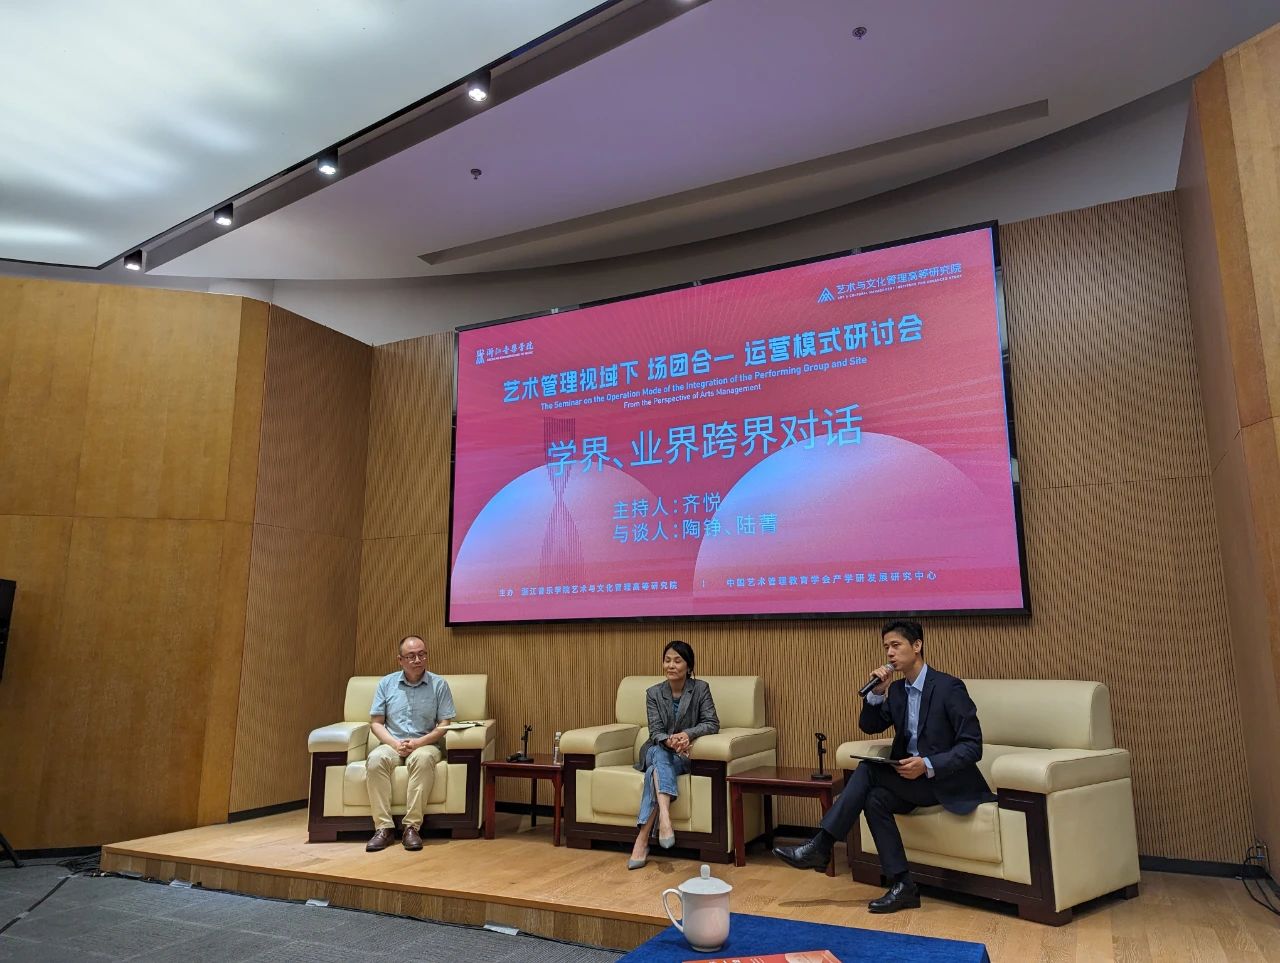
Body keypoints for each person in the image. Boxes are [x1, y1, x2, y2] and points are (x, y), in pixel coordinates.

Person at [774, 619, 993, 912]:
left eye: (896, 645)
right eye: (886, 647)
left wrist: (927, 764)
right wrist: (876, 694)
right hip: (912, 780)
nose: (889, 653)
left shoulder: (948, 687)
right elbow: (870, 726)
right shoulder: (898, 690)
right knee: (875, 799)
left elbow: (972, 746)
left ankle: (821, 845)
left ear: (917, 646)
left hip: (944, 780)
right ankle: (903, 886)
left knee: (868, 770)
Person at [627, 640, 719, 869]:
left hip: (682, 755)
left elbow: (711, 723)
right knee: (658, 754)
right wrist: (669, 740)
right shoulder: (653, 693)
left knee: (655, 771)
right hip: (656, 748)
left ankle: (642, 839)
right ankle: (665, 820)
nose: (671, 665)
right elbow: (655, 731)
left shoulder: (700, 689)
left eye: (677, 661)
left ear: (689, 666)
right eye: (667, 660)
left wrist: (687, 734)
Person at [365, 635, 456, 852]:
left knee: (423, 759)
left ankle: (411, 827)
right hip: (392, 743)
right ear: (400, 660)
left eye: (422, 654)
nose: (418, 660)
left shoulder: (439, 685)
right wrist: (394, 744)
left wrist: (417, 743)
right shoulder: (386, 684)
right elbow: (376, 723)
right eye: (411, 656)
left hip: (425, 743)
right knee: (375, 759)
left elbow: (444, 724)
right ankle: (384, 828)